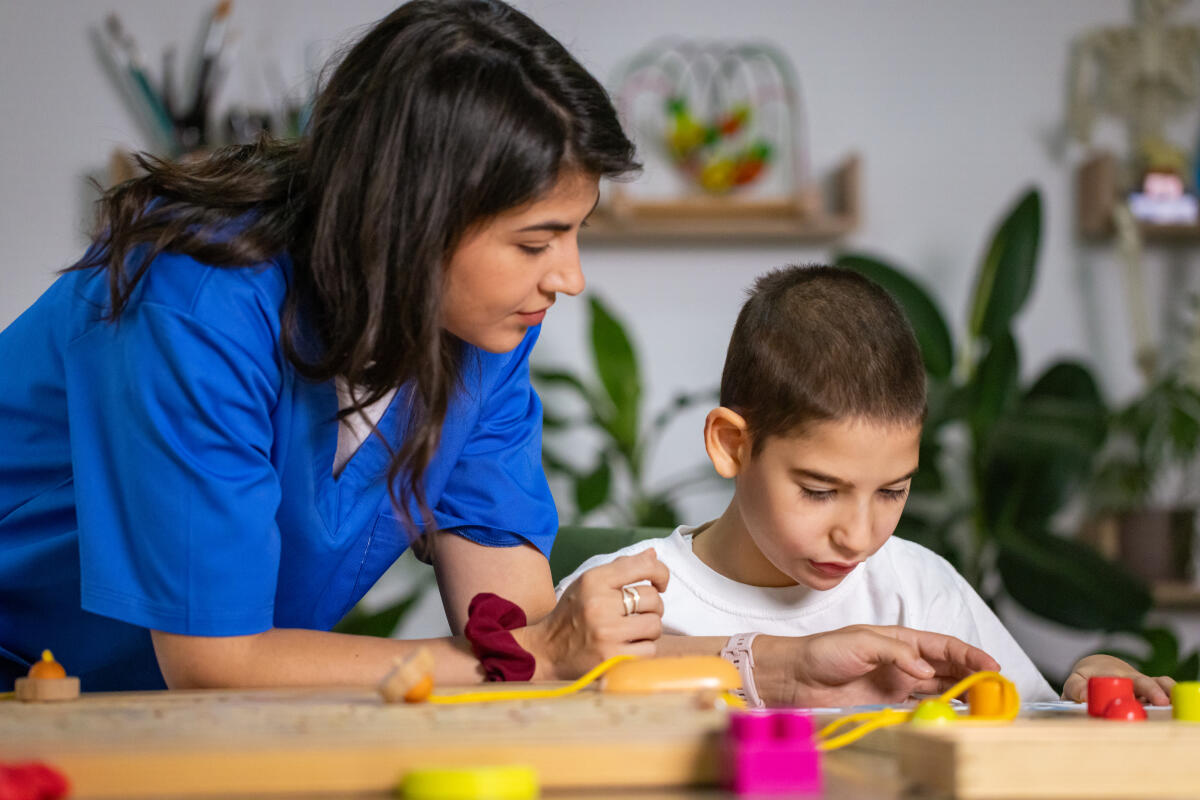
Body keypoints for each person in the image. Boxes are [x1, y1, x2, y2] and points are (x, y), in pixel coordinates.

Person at [0, 0, 998, 701]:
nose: (568, 277)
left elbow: (520, 634)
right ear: (413, 220)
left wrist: (777, 664)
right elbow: (214, 658)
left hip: (156, 713)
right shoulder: (198, 296)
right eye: (536, 240)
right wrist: (535, 656)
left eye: (575, 233)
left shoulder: (481, 342)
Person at [559, 265, 1176, 706]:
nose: (859, 536)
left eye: (892, 492)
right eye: (820, 490)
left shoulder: (918, 590)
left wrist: (1084, 683)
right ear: (731, 445)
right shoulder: (619, 604)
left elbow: (1028, 729)